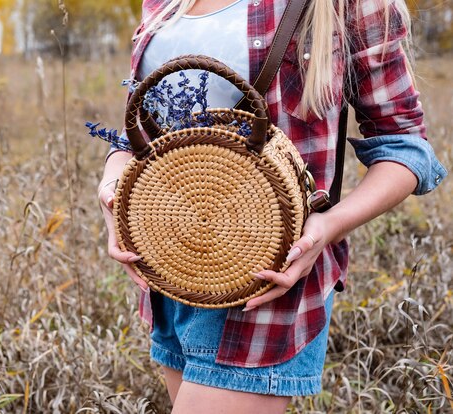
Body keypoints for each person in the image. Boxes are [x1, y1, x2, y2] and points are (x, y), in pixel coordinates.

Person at [97, 0, 447, 412]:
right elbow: (140, 129)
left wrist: (329, 226)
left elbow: (405, 145)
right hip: (170, 270)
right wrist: (112, 181)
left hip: (267, 286)